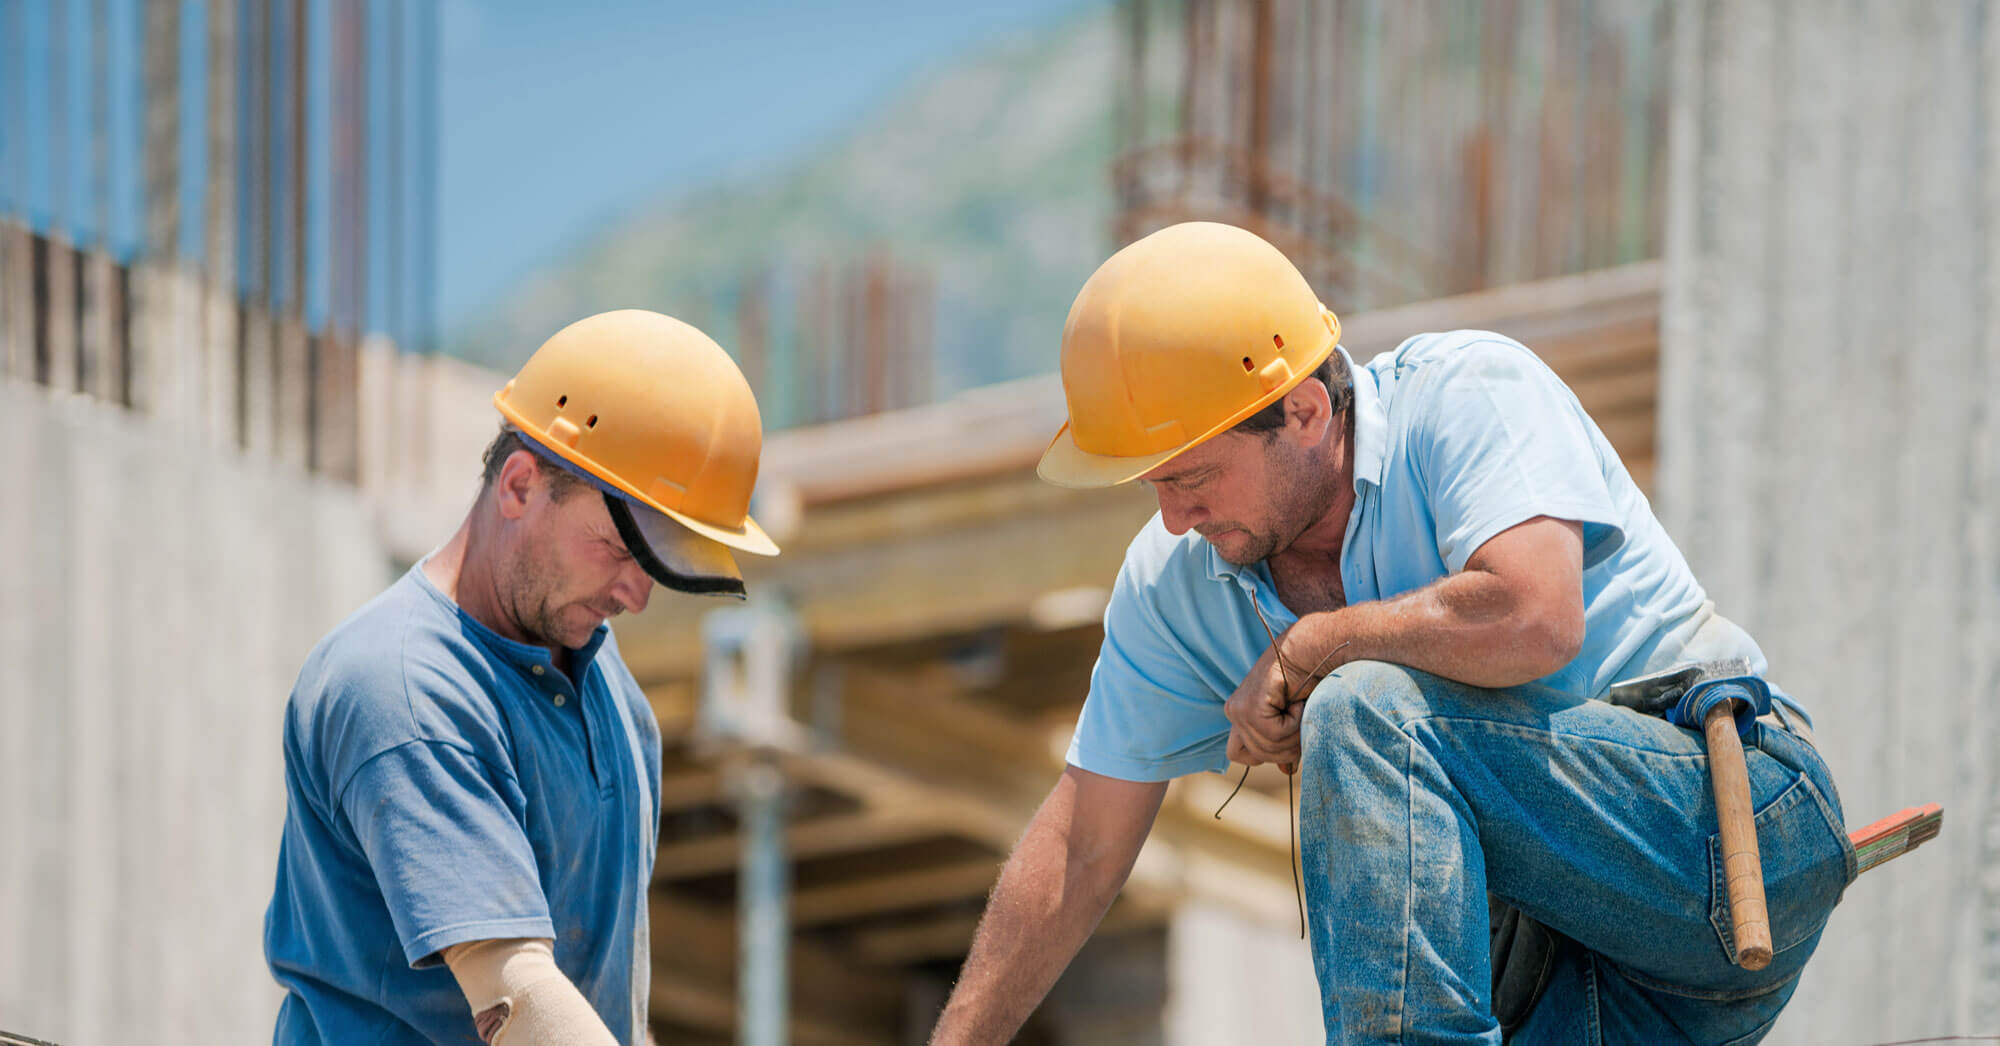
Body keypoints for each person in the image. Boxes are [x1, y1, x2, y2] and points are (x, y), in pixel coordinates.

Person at [930, 222, 1852, 1044]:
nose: (1174, 518)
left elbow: (1536, 616)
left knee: (1365, 709)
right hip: (1567, 997)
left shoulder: (1466, 396)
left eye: (1194, 477)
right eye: (1154, 488)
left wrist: (1314, 646)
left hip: (1723, 849)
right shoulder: (1173, 583)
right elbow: (1081, 847)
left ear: (1303, 411)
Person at [264, 310, 780, 1044]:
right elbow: (520, 1002)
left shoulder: (610, 694)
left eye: (661, 565)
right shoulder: (404, 687)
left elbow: (601, 1007)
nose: (636, 597)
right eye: (618, 548)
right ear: (518, 485)